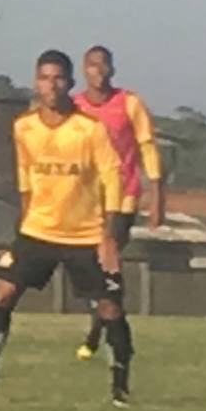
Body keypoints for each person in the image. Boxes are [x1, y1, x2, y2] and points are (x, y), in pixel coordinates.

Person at [0, 50, 131, 406]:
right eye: (45, 77)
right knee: (2, 294)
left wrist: (108, 236)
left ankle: (120, 388)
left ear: (70, 83)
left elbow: (112, 179)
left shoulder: (89, 130)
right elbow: (26, 180)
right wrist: (21, 230)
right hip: (38, 231)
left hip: (85, 235)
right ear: (36, 82)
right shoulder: (23, 127)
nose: (52, 84)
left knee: (109, 308)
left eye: (59, 78)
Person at [71, 44, 164, 362]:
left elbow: (147, 145)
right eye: (91, 65)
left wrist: (156, 191)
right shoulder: (74, 107)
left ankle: (98, 333)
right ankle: (104, 323)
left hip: (123, 194)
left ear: (112, 69)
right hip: (86, 197)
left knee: (108, 259)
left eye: (103, 65)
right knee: (91, 266)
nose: (97, 71)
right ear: (84, 71)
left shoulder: (129, 103)